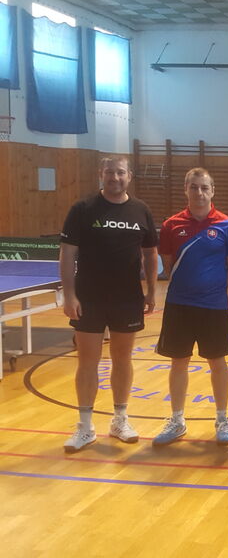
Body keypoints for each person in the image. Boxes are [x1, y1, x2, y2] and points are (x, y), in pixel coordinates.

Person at [59, 156, 158, 453]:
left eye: (120, 172)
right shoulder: (82, 209)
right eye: (110, 172)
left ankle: (120, 420)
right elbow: (67, 254)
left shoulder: (141, 210)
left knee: (122, 359)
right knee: (87, 361)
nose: (115, 177)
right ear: (101, 175)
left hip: (127, 298)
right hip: (89, 298)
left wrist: (152, 291)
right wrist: (69, 295)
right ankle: (85, 426)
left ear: (130, 176)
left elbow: (151, 254)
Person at [152, 168, 228, 446]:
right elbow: (168, 264)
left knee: (218, 362)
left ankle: (222, 418)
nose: (199, 193)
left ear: (212, 190)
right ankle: (177, 420)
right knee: (178, 362)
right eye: (194, 187)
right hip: (179, 305)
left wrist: (214, 288)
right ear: (186, 190)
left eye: (204, 187)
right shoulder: (171, 225)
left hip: (214, 307)